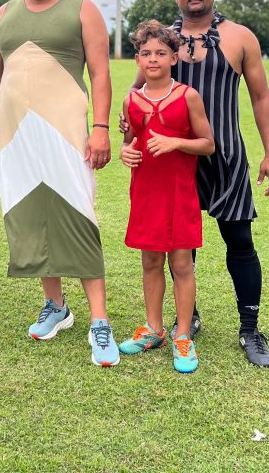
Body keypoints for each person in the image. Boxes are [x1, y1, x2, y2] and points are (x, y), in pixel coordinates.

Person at [120, 0, 269, 367]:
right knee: (180, 247)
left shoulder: (239, 37)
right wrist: (126, 132)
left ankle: (250, 329)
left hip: (222, 155)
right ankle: (187, 321)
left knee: (239, 240)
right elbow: (137, 95)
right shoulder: (163, 40)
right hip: (173, 163)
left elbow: (261, 97)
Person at [0, 0, 120, 368]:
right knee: (31, 215)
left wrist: (100, 128)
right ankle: (56, 306)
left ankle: (99, 321)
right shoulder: (4, 13)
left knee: (78, 215)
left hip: (65, 132)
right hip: (15, 137)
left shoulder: (82, 9)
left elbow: (100, 72)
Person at [117, 21, 215, 374]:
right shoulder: (131, 100)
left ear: (174, 58)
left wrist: (175, 142)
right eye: (146, 53)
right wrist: (125, 151)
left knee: (182, 264)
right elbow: (130, 142)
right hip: (146, 192)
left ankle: (183, 335)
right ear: (138, 60)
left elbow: (208, 144)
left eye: (160, 53)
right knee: (150, 262)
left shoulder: (187, 96)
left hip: (179, 193)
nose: (153, 59)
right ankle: (154, 328)